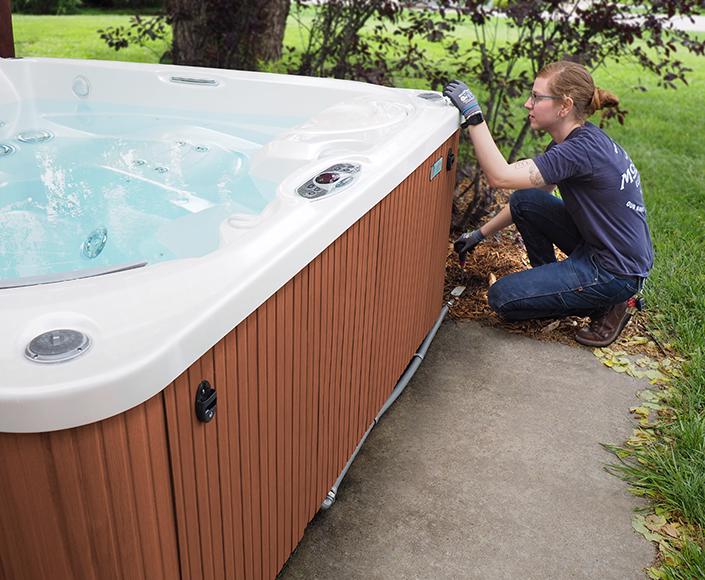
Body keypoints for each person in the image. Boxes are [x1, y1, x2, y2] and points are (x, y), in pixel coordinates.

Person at [442, 61, 654, 347]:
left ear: (565, 106)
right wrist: (479, 235)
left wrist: (473, 116)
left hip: (615, 272)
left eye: (537, 97)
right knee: (526, 200)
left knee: (502, 298)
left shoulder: (577, 151)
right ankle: (552, 287)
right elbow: (530, 199)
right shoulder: (576, 141)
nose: (528, 104)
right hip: (604, 249)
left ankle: (609, 303)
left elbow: (499, 176)